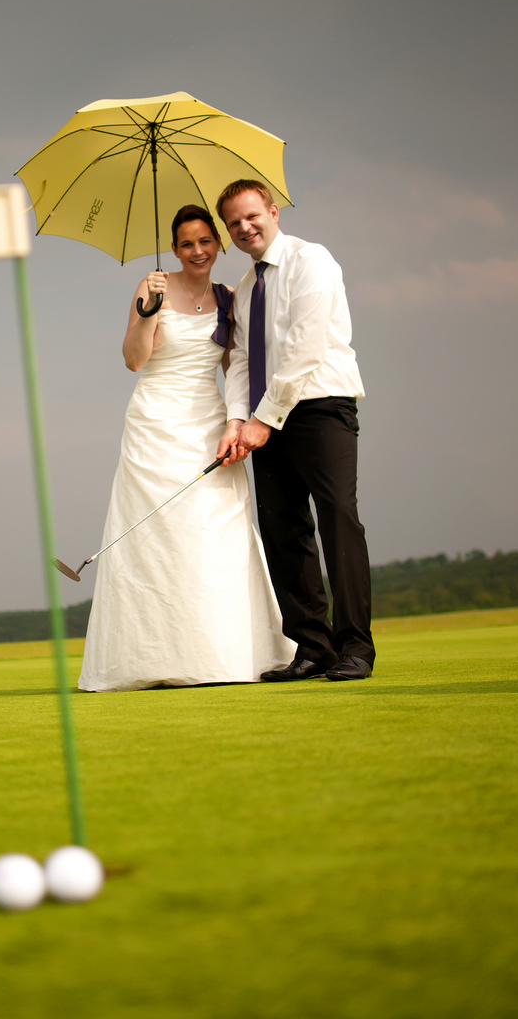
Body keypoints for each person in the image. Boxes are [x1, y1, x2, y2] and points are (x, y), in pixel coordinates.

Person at [78, 204, 294, 691]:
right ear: (174, 249)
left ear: (218, 244)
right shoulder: (151, 287)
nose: (197, 251)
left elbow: (233, 368)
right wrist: (146, 314)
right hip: (154, 423)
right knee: (158, 536)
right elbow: (134, 361)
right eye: (186, 244)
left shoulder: (230, 297)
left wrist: (241, 424)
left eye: (204, 241)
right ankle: (150, 658)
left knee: (214, 533)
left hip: (207, 423)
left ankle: (223, 657)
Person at [215, 180, 375, 681]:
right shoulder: (244, 290)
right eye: (234, 223)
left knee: (337, 519)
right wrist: (237, 422)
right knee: (284, 529)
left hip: (320, 405)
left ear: (273, 211)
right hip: (265, 418)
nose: (244, 228)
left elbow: (306, 345)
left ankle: (356, 648)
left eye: (251, 216)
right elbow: (240, 360)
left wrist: (264, 419)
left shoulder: (313, 261)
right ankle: (313, 647)